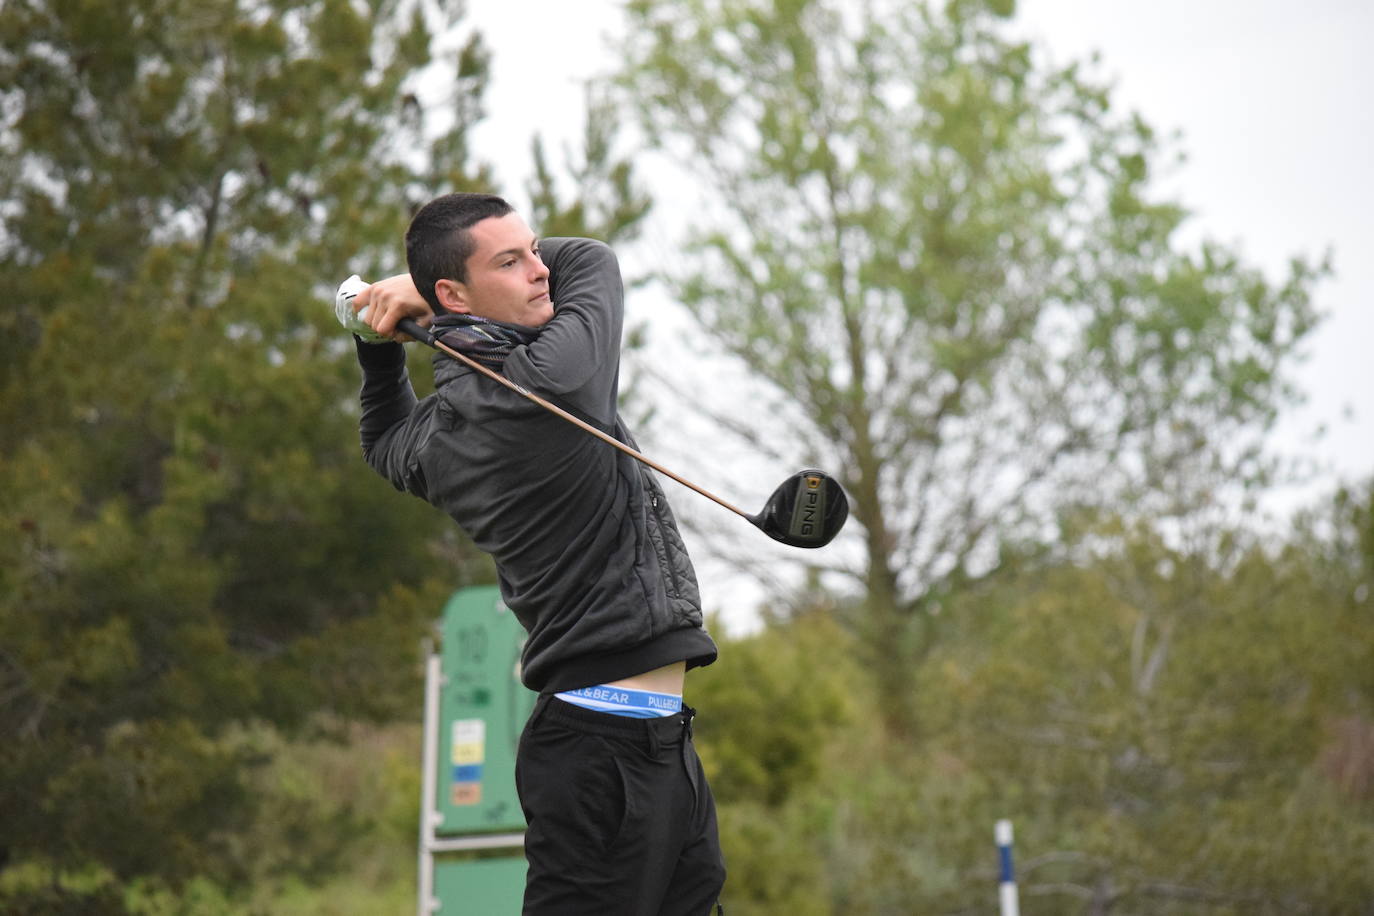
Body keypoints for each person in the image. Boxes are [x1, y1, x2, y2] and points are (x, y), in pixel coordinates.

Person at [341, 192, 725, 915]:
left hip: (644, 742)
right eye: (511, 261)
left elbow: (384, 441)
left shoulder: (444, 434)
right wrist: (416, 298)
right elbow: (595, 260)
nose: (542, 270)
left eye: (535, 250)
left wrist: (376, 345)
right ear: (453, 292)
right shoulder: (550, 381)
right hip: (604, 755)